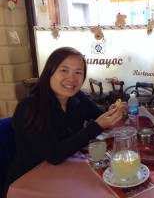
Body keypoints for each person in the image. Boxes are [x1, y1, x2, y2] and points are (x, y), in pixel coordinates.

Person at [5, 47, 127, 189]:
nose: (72, 78)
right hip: (29, 179)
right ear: (50, 72)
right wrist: (97, 125)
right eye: (64, 70)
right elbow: (54, 155)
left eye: (78, 72)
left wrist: (114, 112)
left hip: (66, 168)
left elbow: (98, 116)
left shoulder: (77, 96)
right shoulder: (30, 106)